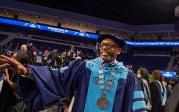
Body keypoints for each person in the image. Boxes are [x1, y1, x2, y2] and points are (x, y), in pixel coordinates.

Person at [0, 34, 147, 112]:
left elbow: (137, 106)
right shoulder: (85, 67)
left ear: (118, 50)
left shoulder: (127, 76)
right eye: (102, 45)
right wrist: (27, 71)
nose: (104, 48)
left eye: (109, 46)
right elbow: (57, 76)